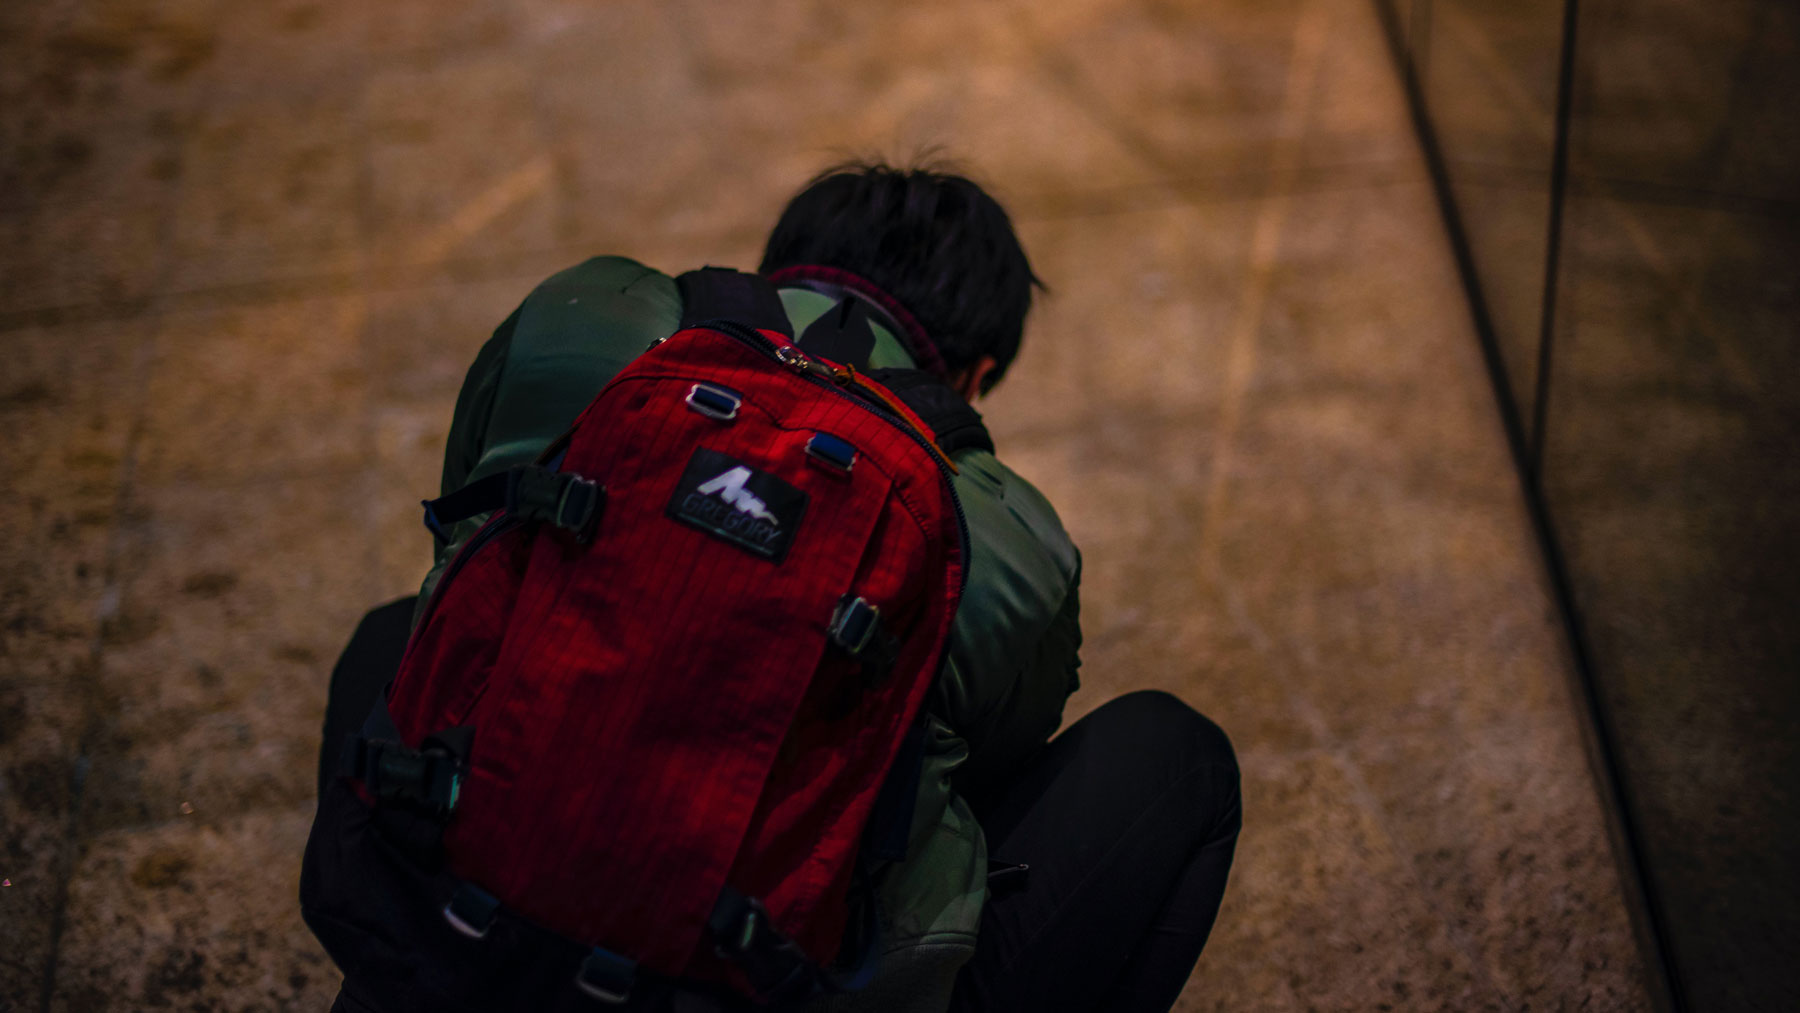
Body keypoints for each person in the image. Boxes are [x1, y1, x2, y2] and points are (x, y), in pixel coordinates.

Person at [319, 162, 1241, 1013]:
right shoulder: (1005, 531)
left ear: (782, 273)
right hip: (751, 982)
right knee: (1178, 757)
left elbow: (465, 528)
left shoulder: (578, 319)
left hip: (446, 944)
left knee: (399, 628)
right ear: (978, 374)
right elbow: (991, 763)